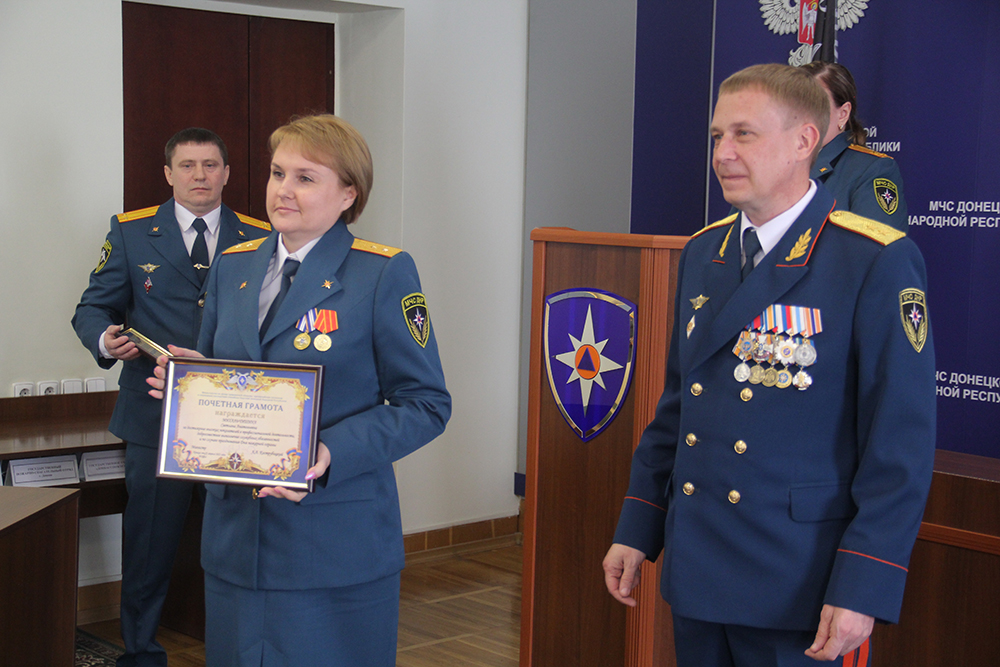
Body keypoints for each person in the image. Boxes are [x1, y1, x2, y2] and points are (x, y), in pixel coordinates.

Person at [603, 64, 935, 666]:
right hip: (699, 567)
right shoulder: (705, 251)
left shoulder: (872, 259)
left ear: (805, 141)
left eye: (744, 135)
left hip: (799, 583)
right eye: (716, 136)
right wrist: (638, 525)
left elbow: (899, 446)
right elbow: (678, 408)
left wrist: (864, 584)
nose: (723, 154)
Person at [148, 114, 451, 666]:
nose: (283, 190)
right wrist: (194, 382)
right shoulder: (233, 267)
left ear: (348, 194)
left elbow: (426, 404)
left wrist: (329, 451)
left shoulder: (381, 274)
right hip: (236, 541)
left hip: (333, 543)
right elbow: (227, 370)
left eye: (306, 178)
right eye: (277, 173)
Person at [72, 128, 271, 666]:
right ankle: (141, 652)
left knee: (238, 542)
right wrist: (105, 340)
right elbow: (92, 307)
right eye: (187, 165)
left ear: (227, 173)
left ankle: (238, 650)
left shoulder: (260, 236)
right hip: (154, 414)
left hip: (233, 417)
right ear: (168, 173)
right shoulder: (132, 232)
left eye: (210, 165)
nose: (199, 176)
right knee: (149, 546)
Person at [801, 61, 908, 231]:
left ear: (843, 114)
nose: (801, 115)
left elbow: (874, 245)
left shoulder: (871, 170)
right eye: (794, 104)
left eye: (815, 105)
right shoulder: (774, 164)